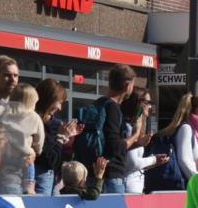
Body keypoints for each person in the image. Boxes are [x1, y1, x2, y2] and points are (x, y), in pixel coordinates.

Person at [75, 64, 135, 194]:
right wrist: (135, 136)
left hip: (93, 174)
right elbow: (114, 145)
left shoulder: (98, 104)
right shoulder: (113, 108)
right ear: (127, 86)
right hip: (110, 176)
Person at [0, 83, 44, 195]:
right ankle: (29, 187)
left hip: (7, 162)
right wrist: (37, 149)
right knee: (29, 171)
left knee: (11, 193)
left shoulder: (2, 111)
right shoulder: (35, 117)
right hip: (27, 159)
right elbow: (39, 140)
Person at [33, 79, 79, 196]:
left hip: (51, 179)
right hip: (39, 179)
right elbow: (49, 159)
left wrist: (67, 139)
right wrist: (62, 137)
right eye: (59, 102)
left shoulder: (55, 123)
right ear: (49, 99)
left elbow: (57, 158)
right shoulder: (33, 121)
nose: (60, 108)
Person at [120, 88, 168, 194]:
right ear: (139, 103)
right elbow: (132, 163)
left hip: (134, 185)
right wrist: (153, 160)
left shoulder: (135, 126)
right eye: (148, 103)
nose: (150, 106)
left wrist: (154, 162)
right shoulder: (128, 127)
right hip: (128, 186)